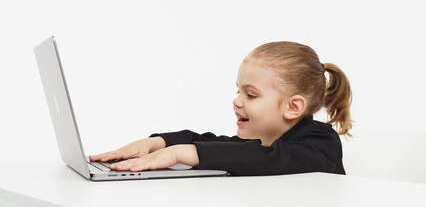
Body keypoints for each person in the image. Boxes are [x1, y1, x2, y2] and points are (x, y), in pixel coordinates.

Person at [90, 41, 353, 176]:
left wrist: (184, 153)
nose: (237, 101)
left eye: (250, 95)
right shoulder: (264, 140)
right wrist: (157, 143)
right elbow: (216, 143)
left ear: (293, 107)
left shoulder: (320, 143)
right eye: (238, 91)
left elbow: (268, 157)